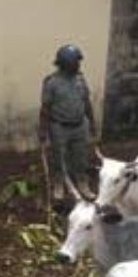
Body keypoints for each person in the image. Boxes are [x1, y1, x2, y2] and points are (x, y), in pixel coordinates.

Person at [39, 44, 96, 201]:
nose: (78, 65)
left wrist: (92, 123)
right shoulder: (52, 83)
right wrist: (42, 131)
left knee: (81, 157)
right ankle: (58, 184)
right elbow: (45, 108)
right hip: (59, 127)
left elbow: (86, 102)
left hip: (79, 125)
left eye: (78, 62)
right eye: (75, 62)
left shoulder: (80, 80)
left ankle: (82, 183)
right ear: (65, 64)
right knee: (58, 157)